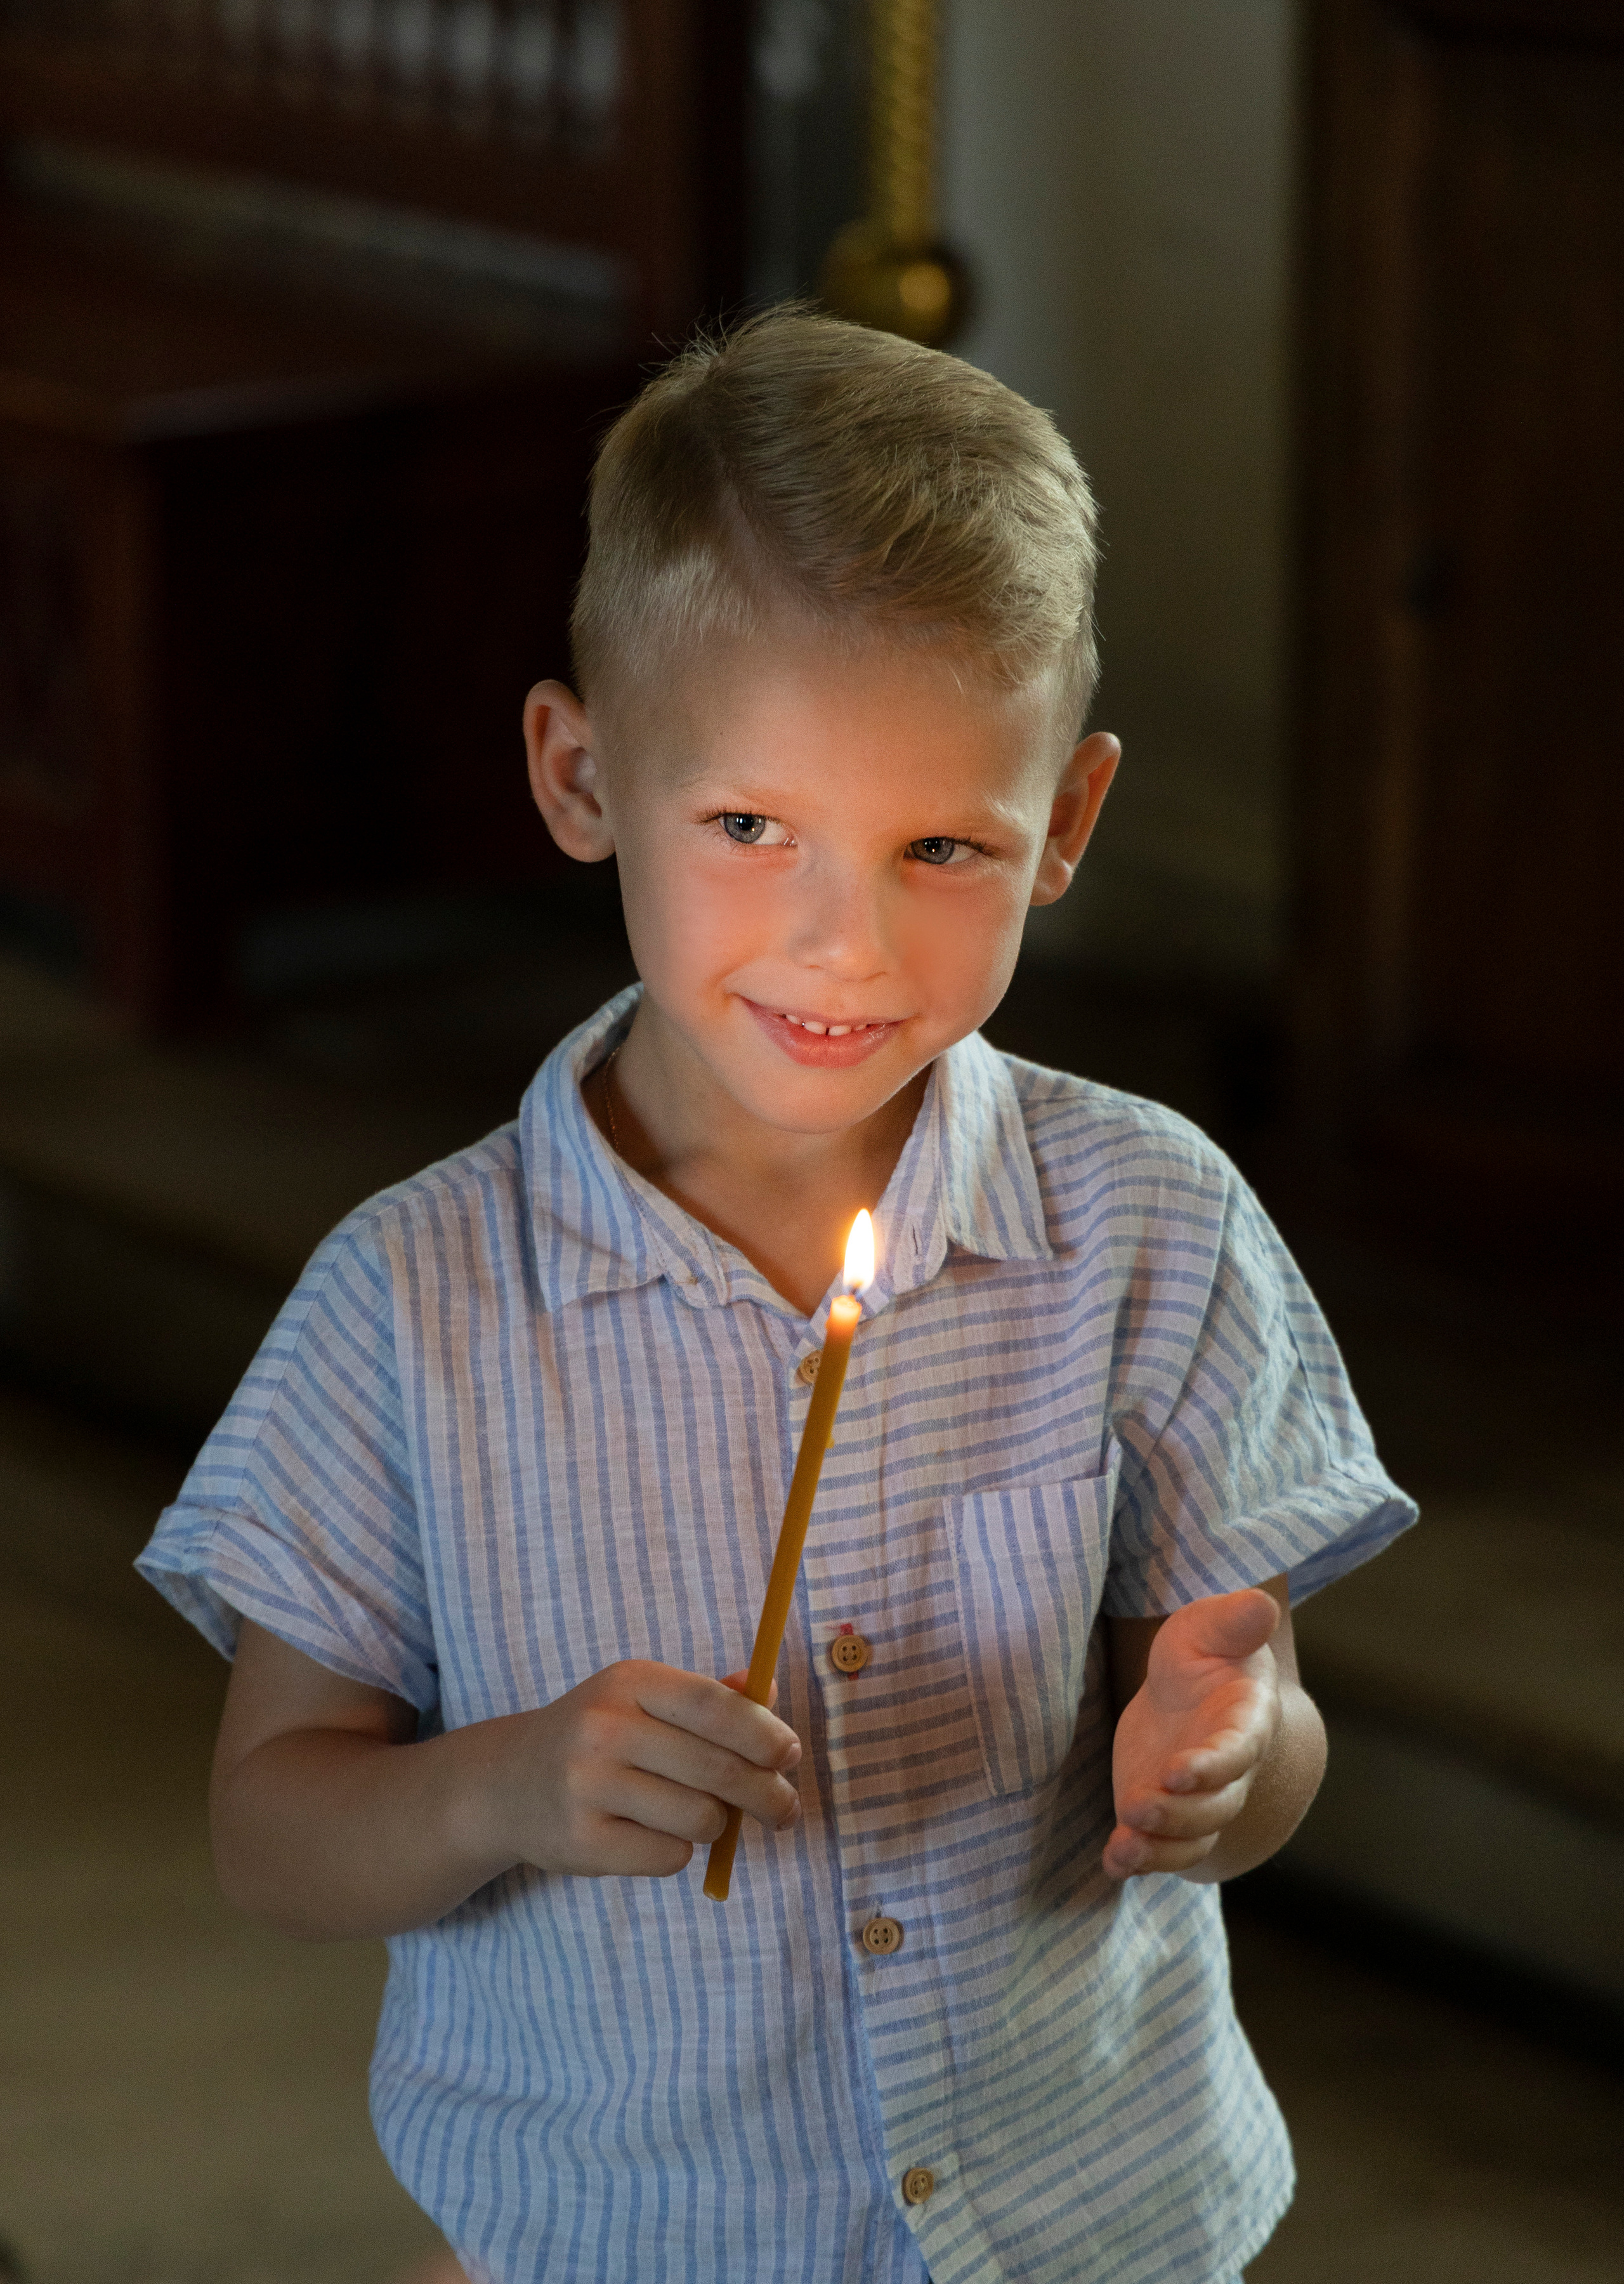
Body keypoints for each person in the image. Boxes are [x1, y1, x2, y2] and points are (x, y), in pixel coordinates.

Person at [137, 309, 1415, 2284]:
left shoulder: (1146, 1224)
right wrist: (503, 1783)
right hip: (616, 2239)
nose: (847, 939)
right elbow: (270, 1831)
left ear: (1063, 826)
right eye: (750, 828)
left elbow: (1262, 1728)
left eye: (942, 847)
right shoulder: (412, 1305)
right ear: (581, 776)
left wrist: (1231, 1765)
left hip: (1090, 2228)